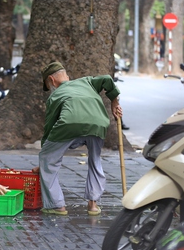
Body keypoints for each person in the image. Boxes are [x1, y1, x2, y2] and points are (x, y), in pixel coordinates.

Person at [32, 61, 123, 216]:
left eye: (48, 85)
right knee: (95, 160)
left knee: (48, 158)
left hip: (70, 123)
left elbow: (49, 128)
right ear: (66, 76)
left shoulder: (55, 96)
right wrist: (114, 102)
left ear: (51, 80)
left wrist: (45, 157)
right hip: (98, 123)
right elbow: (107, 78)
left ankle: (57, 206)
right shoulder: (86, 81)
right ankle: (93, 205)